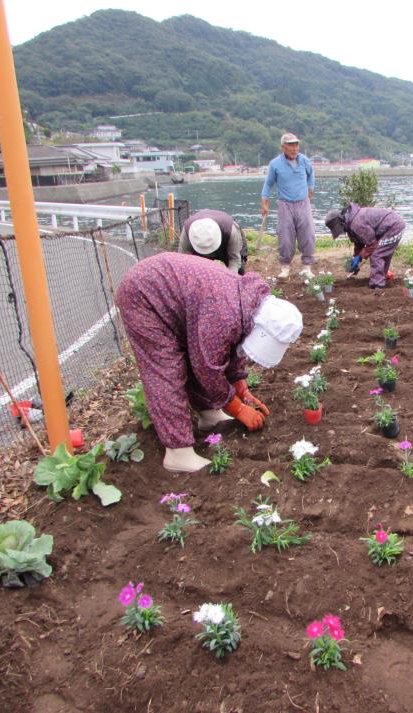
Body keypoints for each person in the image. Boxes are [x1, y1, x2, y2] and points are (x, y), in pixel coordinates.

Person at [115, 253, 303, 473]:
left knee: (197, 351)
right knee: (166, 370)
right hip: (145, 295)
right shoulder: (223, 314)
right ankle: (178, 453)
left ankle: (209, 413)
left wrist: (239, 383)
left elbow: (230, 345)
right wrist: (238, 408)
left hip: (172, 294)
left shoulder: (247, 307)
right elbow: (208, 368)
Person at [260, 132, 316, 279]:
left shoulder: (304, 160)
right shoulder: (275, 164)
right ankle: (285, 267)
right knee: (285, 237)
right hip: (285, 204)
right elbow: (268, 183)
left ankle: (306, 267)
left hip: (303, 203)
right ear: (283, 147)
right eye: (291, 145)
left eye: (296, 144)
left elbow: (311, 174)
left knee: (308, 234)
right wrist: (264, 201)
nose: (294, 148)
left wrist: (311, 188)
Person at [324, 204, 405, 289]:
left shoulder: (357, 223)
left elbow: (372, 245)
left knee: (377, 254)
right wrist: (355, 258)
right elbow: (359, 242)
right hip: (385, 228)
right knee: (381, 253)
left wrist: (360, 257)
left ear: (341, 222)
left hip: (394, 226)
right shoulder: (350, 222)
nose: (340, 232)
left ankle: (377, 285)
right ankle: (381, 278)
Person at [179, 209, 249, 274]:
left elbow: (234, 259)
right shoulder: (187, 231)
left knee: (239, 270)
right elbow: (183, 260)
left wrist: (231, 278)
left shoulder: (230, 231)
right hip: (197, 252)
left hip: (226, 243)